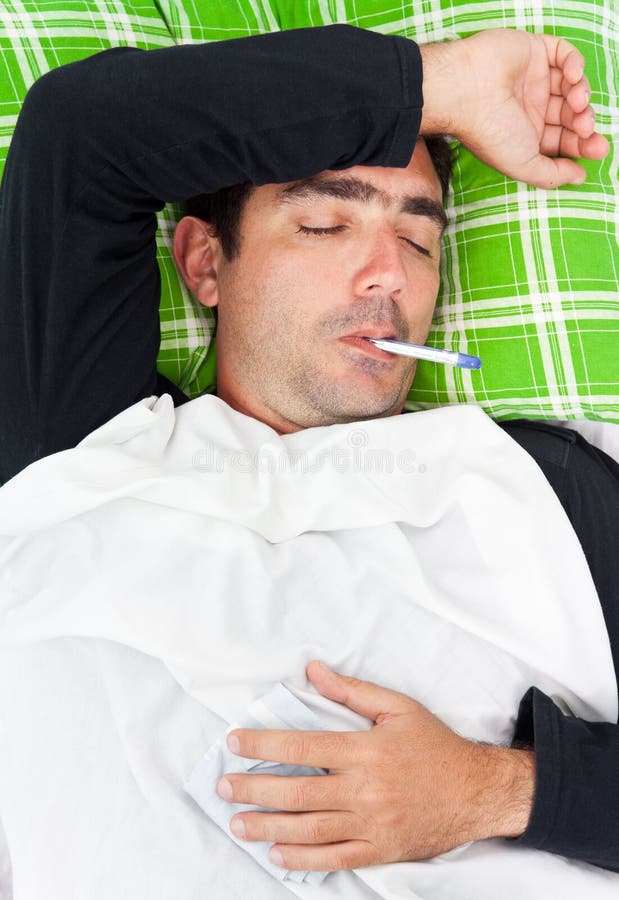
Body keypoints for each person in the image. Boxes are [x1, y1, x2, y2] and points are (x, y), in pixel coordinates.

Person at [0, 23, 617, 877]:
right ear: (206, 265)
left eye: (415, 239)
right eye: (325, 224)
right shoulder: (83, 441)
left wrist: (497, 791)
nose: (386, 276)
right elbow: (82, 132)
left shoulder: (542, 489)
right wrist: (436, 87)